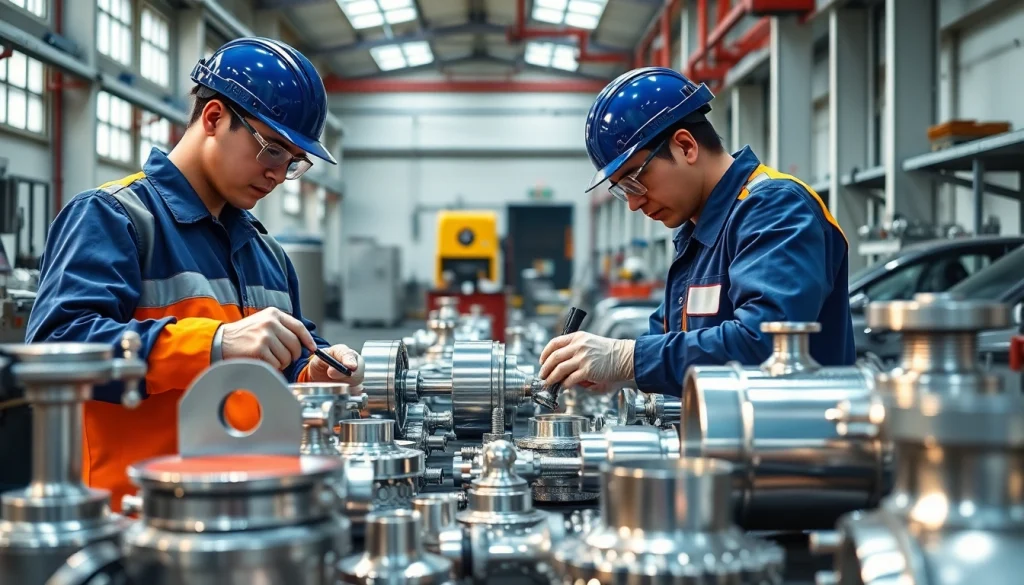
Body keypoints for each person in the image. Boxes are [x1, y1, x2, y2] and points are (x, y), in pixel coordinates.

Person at [26, 38, 361, 509]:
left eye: (293, 162)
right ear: (214, 118)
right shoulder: (112, 218)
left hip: (251, 515)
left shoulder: (268, 253)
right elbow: (57, 349)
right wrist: (214, 344)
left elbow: (286, 362)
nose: (277, 173)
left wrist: (318, 368)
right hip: (135, 522)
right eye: (271, 150)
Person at [538, 67, 855, 395]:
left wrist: (628, 359)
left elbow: (768, 344)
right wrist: (619, 372)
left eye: (634, 180)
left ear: (686, 146)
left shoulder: (775, 208)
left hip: (792, 442)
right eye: (621, 190)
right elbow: (671, 341)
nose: (632, 203)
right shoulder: (698, 231)